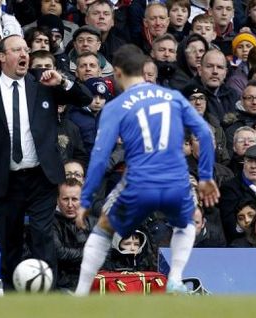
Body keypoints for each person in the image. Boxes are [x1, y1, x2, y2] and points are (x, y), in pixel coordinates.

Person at [73, 44, 219, 295]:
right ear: (143, 70)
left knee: (104, 229)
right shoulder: (173, 97)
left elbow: (99, 157)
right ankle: (174, 278)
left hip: (138, 182)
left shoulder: (115, 107)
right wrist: (205, 177)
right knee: (185, 224)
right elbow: (205, 133)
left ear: (117, 72)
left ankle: (81, 293)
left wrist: (85, 199)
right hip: (177, 181)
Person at [0, 34, 92, 290]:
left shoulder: (44, 83)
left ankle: (47, 298)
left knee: (42, 237)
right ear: (1, 57)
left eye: (26, 50)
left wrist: (63, 82)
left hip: (41, 176)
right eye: (16, 50)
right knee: (9, 242)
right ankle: (12, 300)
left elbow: (85, 98)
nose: (24, 54)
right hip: (6, 178)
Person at [54, 178, 96, 291]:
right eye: (65, 199)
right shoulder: (51, 224)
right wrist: (90, 254)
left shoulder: (94, 223)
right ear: (57, 200)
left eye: (75, 199)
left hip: (94, 282)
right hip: (62, 284)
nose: (70, 204)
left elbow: (106, 254)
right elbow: (60, 253)